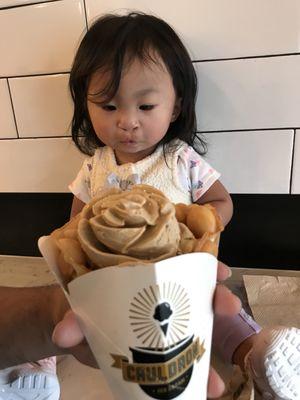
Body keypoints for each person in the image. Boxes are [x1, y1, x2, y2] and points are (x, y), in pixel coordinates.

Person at [65, 12, 299, 400]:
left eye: (145, 107)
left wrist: (204, 228)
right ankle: (39, 359)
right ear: (85, 105)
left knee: (218, 312)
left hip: (182, 275)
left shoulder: (180, 159)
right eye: (108, 106)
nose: (127, 122)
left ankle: (257, 355)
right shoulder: (94, 166)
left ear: (174, 107)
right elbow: (76, 224)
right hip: (117, 287)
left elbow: (221, 200)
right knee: (93, 325)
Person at [0, 261, 242, 399]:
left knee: (214, 305)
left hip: (177, 283)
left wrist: (55, 311)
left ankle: (249, 344)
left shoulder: (190, 170)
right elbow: (76, 222)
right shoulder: (93, 171)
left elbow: (219, 205)